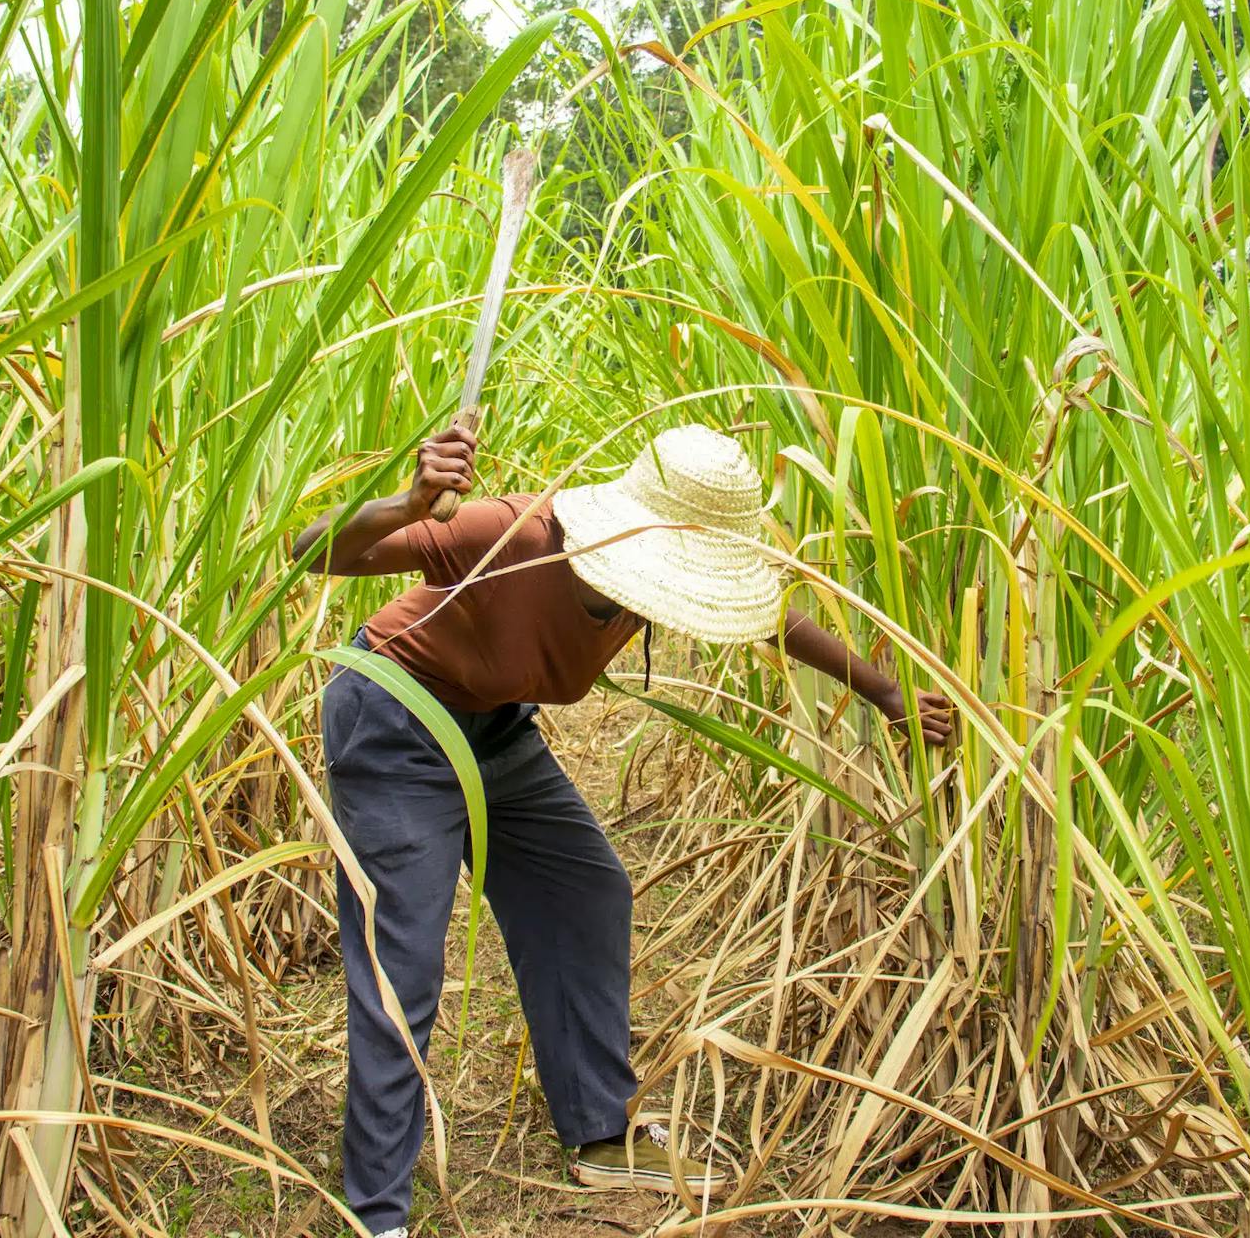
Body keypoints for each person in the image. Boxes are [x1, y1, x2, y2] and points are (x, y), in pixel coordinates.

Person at [292, 423, 953, 1238]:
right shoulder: (508, 534)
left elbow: (771, 620)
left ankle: (602, 1132)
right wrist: (406, 503)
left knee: (586, 890)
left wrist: (885, 693)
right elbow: (311, 550)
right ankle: (379, 1213)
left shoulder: (654, 589)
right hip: (396, 721)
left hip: (497, 730)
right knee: (404, 960)